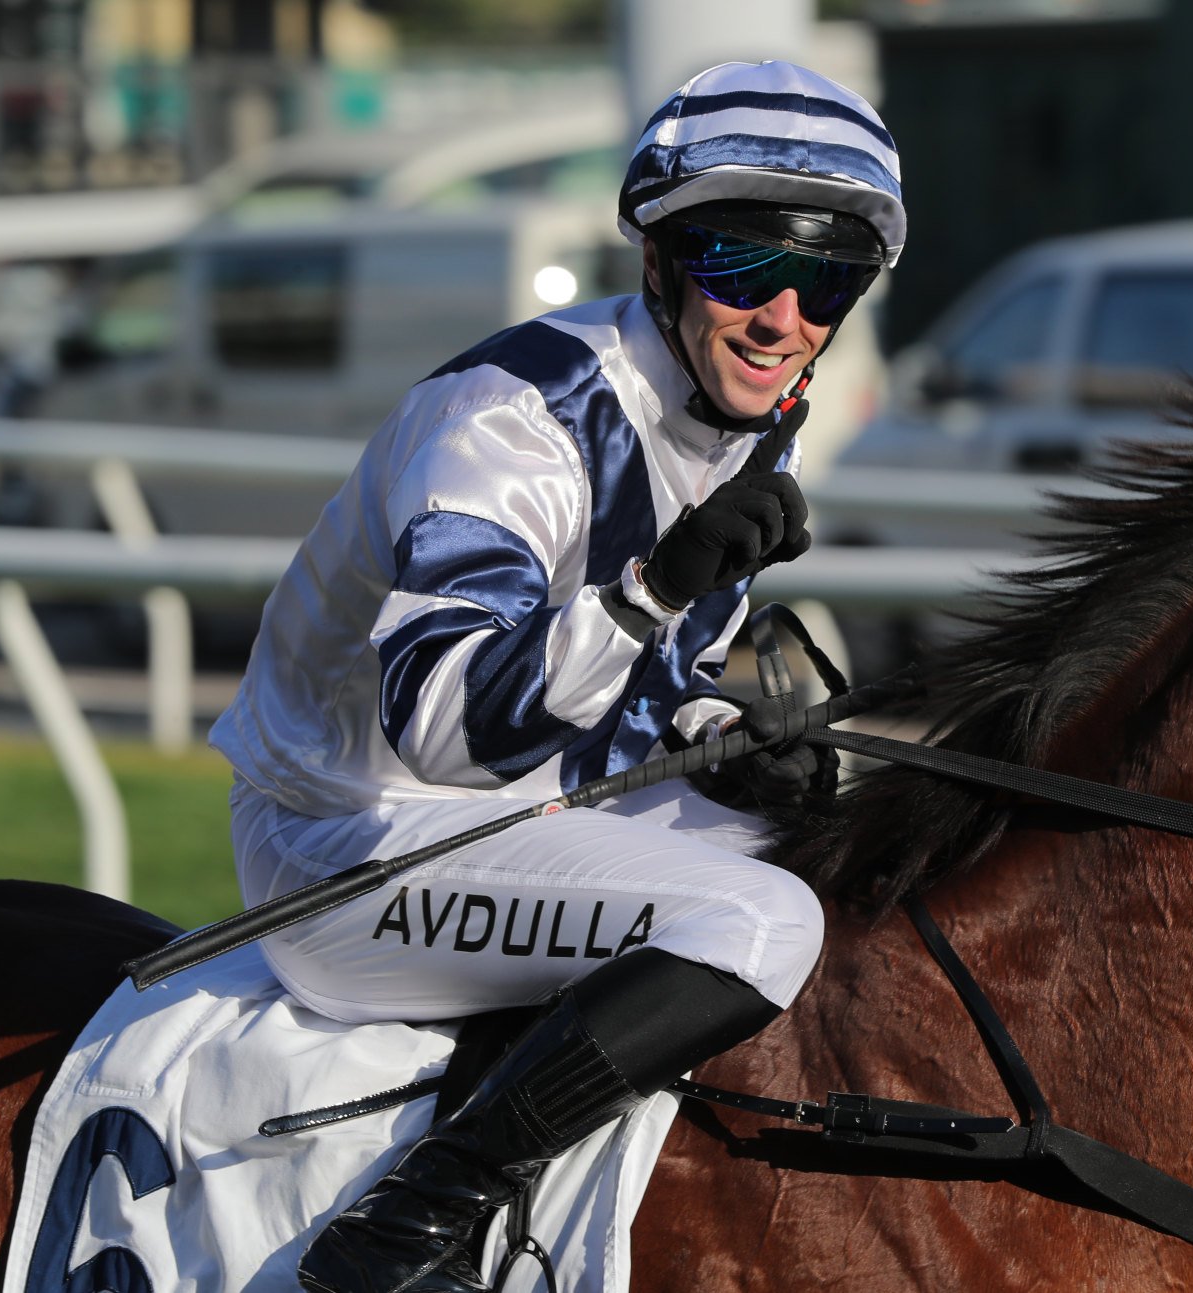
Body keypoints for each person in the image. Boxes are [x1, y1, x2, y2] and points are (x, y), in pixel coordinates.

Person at [206, 60, 906, 1293]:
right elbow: (444, 727)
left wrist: (729, 730)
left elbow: (638, 691)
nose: (783, 316)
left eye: (829, 282)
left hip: (507, 812)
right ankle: (406, 1230)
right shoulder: (510, 417)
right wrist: (653, 591)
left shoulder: (744, 405)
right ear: (658, 261)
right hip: (348, 845)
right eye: (742, 268)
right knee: (761, 919)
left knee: (851, 859)